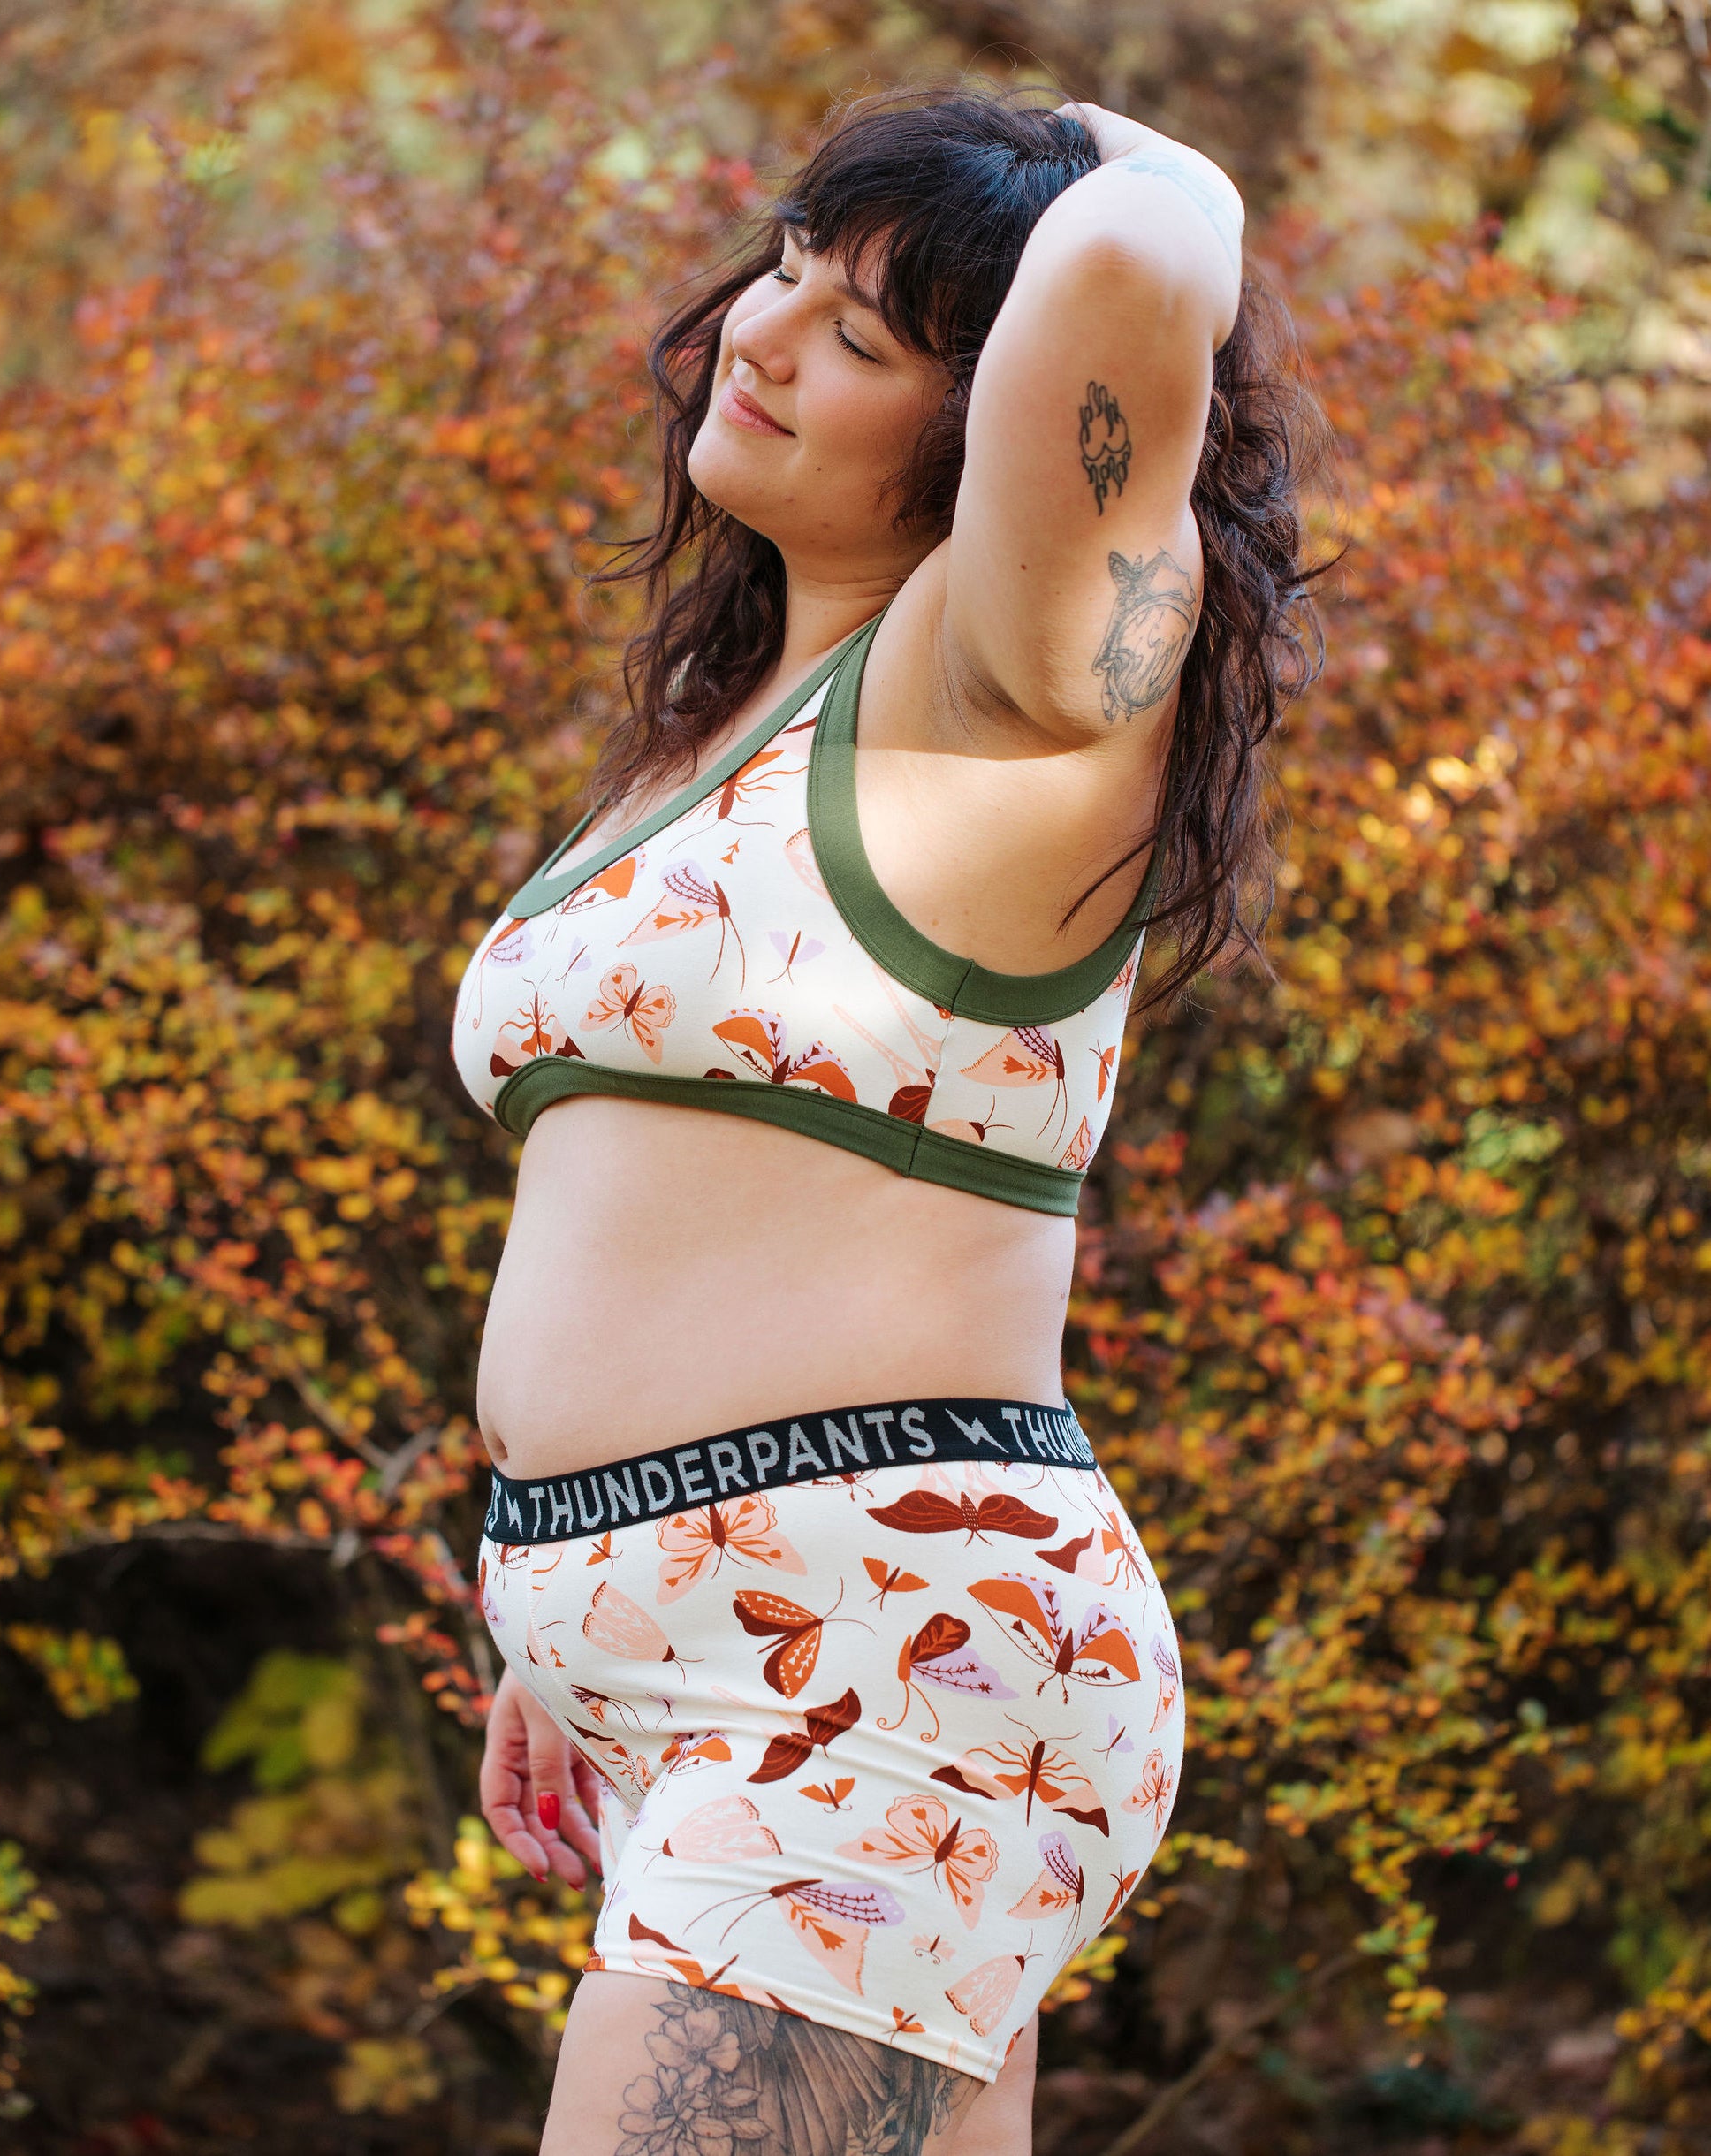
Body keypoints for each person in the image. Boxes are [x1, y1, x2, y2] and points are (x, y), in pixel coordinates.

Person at [454, 83, 1327, 2156]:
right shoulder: (739, 715)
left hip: (876, 1680)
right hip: (751, 1658)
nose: (758, 334)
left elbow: (1127, 269)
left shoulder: (1016, 686)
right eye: (781, 271)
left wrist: (1148, 166)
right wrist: (571, 1604)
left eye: (858, 338)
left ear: (995, 445)